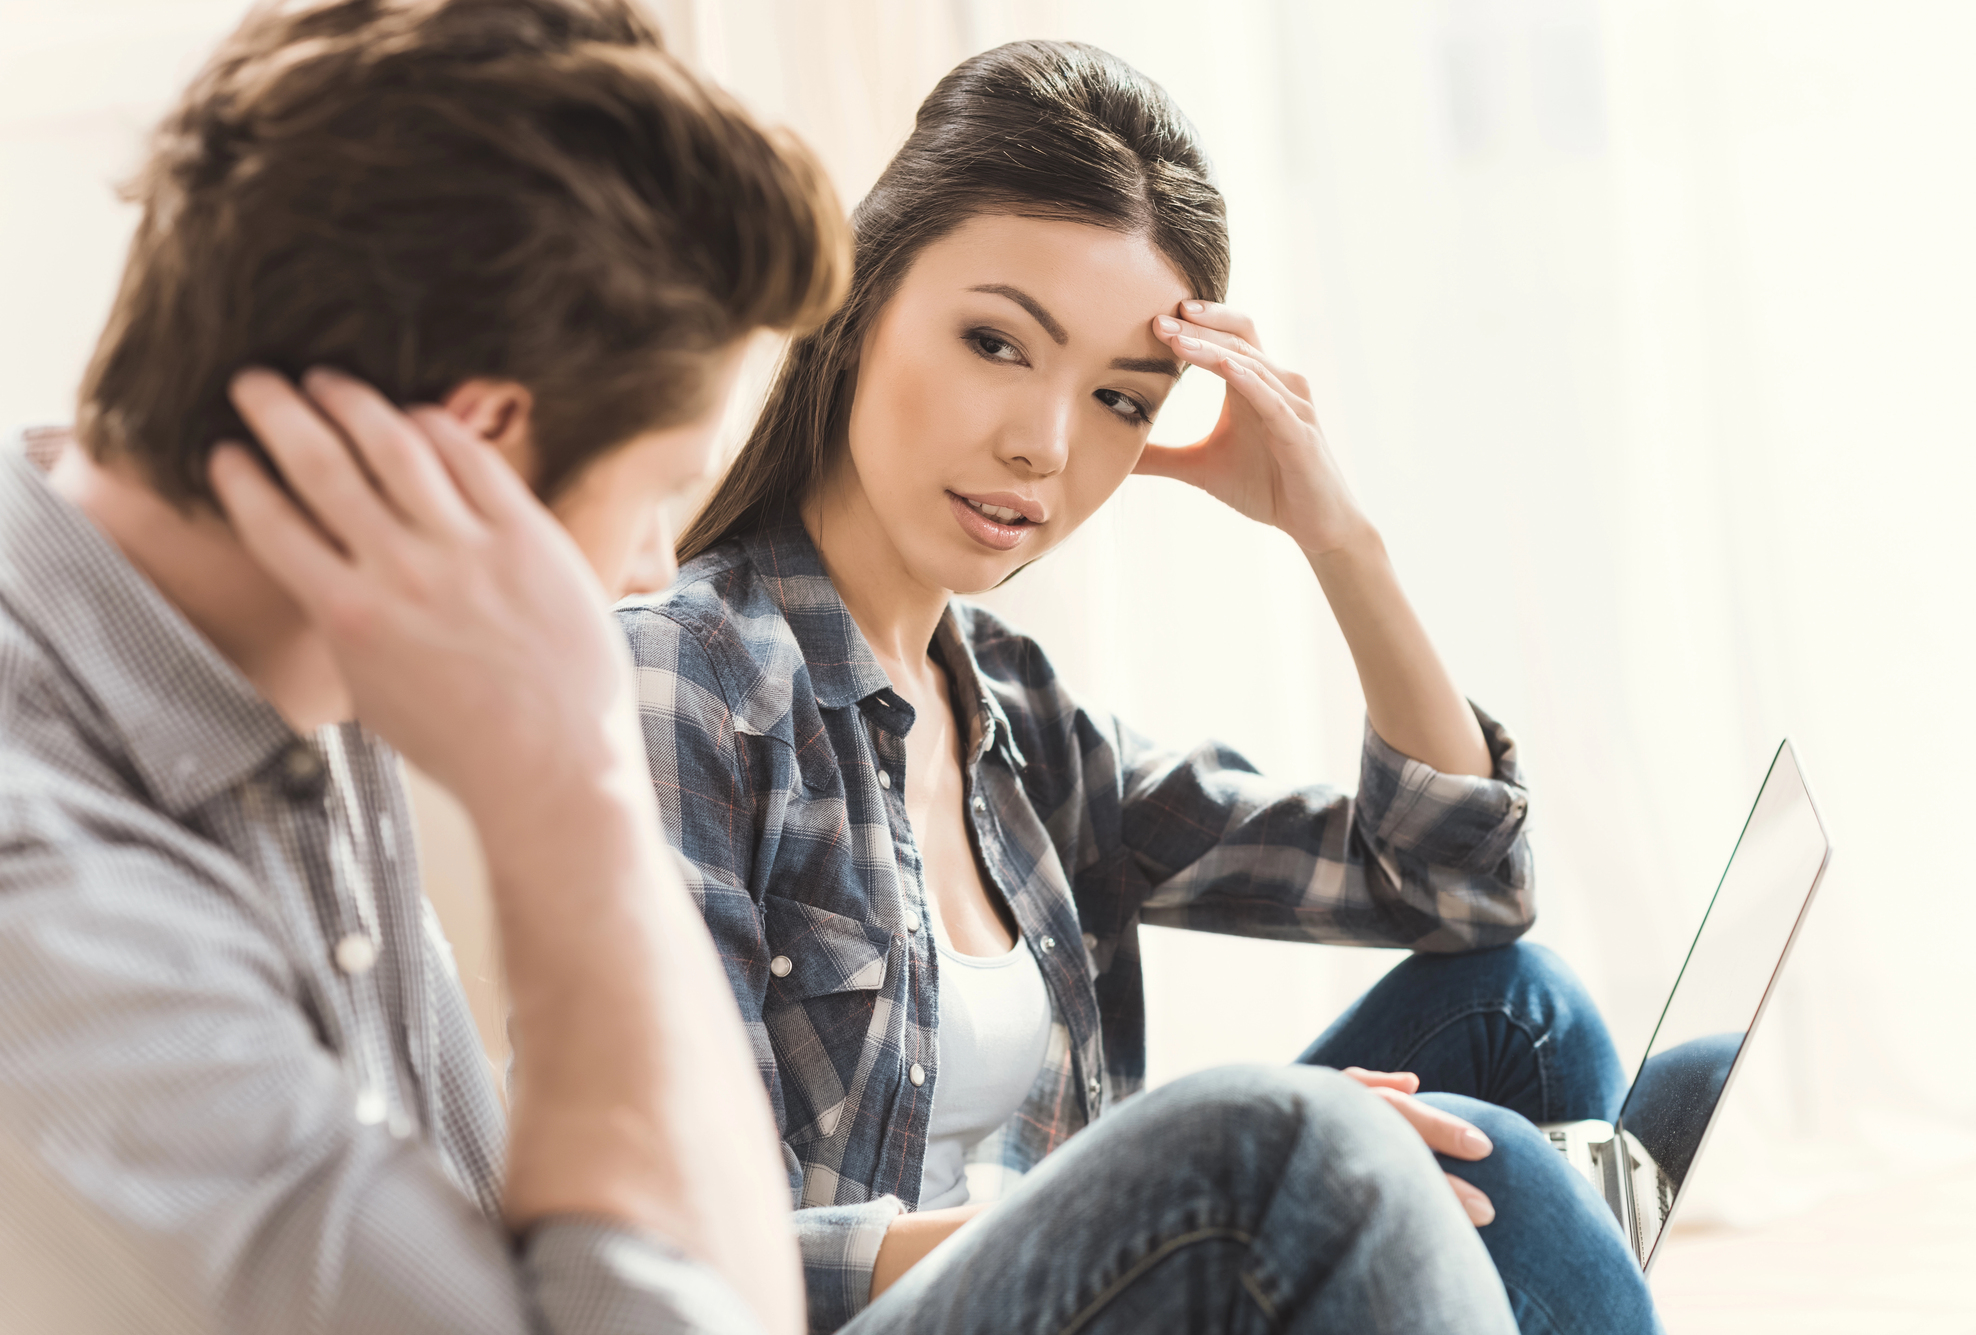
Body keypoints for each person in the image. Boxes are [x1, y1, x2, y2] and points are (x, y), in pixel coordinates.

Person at [625, 40, 1665, 1335]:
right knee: (1324, 1149)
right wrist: (1161, 1186)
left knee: (1522, 1014)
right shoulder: (689, 674)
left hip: (1080, 1281)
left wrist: (1338, 539)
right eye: (998, 342)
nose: (1045, 445)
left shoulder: (1017, 718)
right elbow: (683, 1251)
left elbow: (1460, 887)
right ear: (861, 292)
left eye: (1121, 398)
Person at [0, 1, 854, 1329]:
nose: (650, 566)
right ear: (476, 453)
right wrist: (575, 805)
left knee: (1244, 1153)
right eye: (661, 490)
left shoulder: (324, 654)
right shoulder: (42, 898)